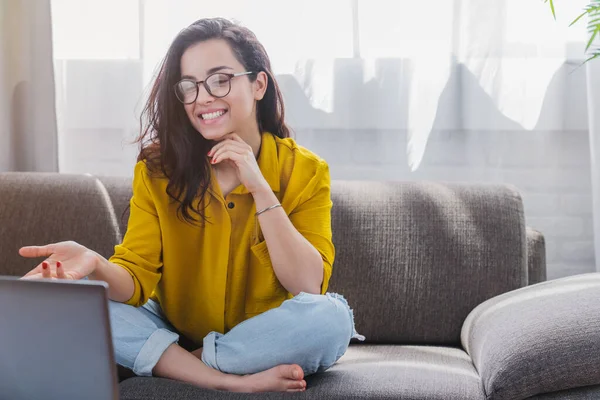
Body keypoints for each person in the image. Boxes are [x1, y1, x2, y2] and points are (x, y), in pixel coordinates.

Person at [19, 17, 363, 393]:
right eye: (189, 86)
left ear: (258, 84)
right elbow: (135, 280)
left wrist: (261, 189)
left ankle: (184, 363)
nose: (202, 98)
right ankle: (229, 380)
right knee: (83, 298)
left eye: (220, 79)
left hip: (259, 334)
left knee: (331, 318)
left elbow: (307, 286)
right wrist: (95, 265)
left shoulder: (307, 171)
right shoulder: (157, 169)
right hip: (169, 326)